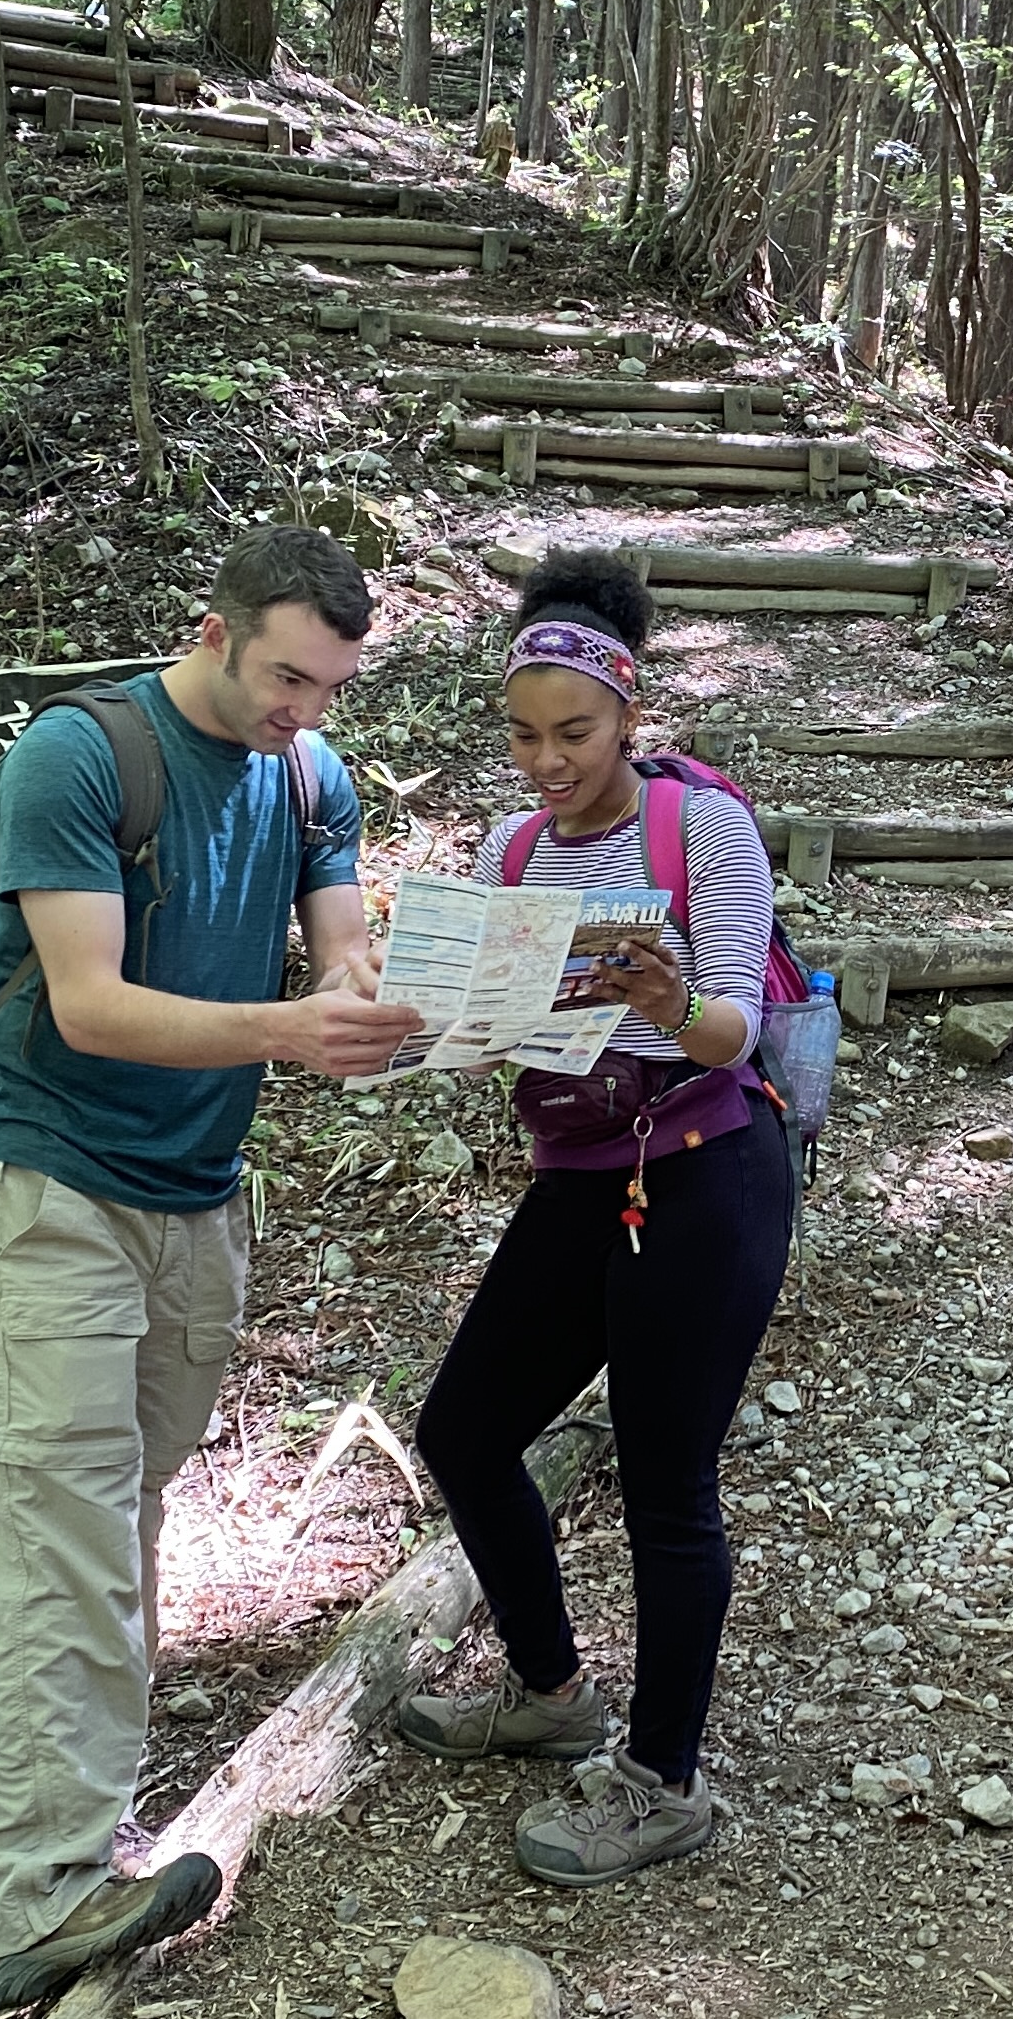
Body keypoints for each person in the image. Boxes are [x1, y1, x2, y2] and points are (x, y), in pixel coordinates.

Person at [0, 525, 427, 2008]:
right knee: (62, 1528)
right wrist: (293, 1029)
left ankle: (80, 1821)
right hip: (47, 1180)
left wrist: (374, 995)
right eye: (289, 675)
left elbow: (342, 948)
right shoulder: (82, 758)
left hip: (194, 1194)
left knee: (116, 1508)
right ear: (210, 628)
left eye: (334, 686)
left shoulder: (311, 778)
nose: (306, 709)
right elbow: (87, 1004)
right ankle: (35, 1898)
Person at [395, 550, 794, 1889]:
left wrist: (667, 999)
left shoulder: (704, 832)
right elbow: (502, 1025)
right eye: (522, 734)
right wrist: (436, 1021)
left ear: (630, 715)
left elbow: (737, 1027)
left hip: (707, 1169)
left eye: (574, 733)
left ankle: (659, 1781)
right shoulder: (513, 849)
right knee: (462, 1428)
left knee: (665, 1483)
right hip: (584, 1172)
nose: (547, 761)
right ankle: (552, 1688)